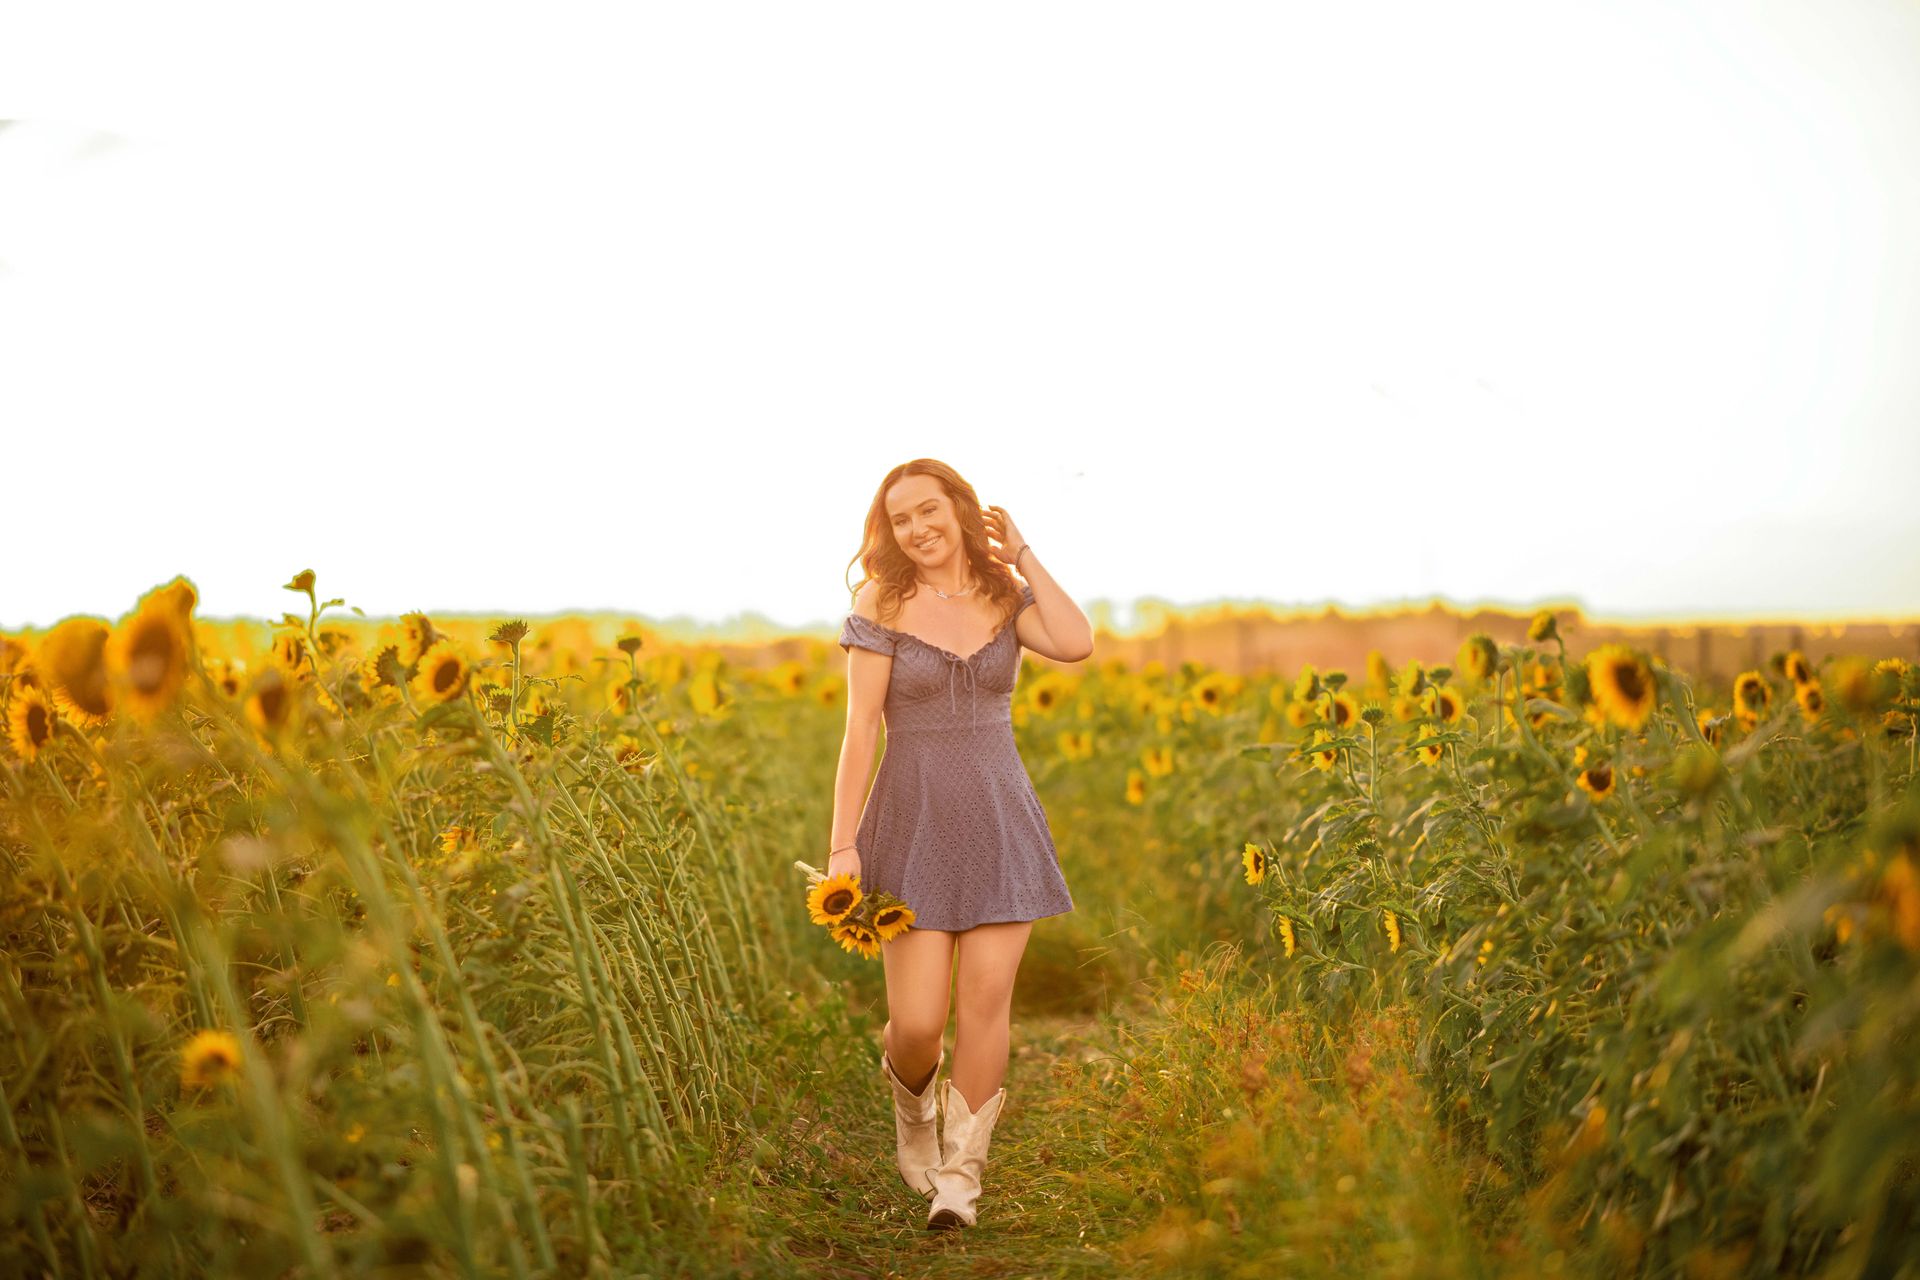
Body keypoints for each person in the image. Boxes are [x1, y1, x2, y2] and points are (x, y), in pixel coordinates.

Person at [829, 459, 1092, 1231]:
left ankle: (960, 1178)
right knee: (916, 1024)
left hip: (999, 819)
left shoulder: (1007, 595)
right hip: (910, 821)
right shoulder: (880, 599)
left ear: (961, 510)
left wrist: (1025, 555)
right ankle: (914, 1114)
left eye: (928, 510)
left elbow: (1074, 643)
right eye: (901, 518)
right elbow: (859, 732)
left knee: (985, 1001)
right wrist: (844, 845)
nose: (917, 529)